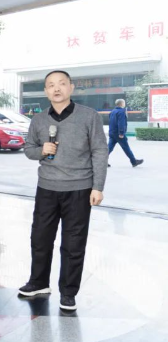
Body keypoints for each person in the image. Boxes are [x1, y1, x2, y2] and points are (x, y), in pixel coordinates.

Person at [19, 70, 108, 311]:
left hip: (79, 188)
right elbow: (28, 149)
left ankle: (68, 292)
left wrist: (98, 187)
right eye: (51, 85)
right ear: (46, 91)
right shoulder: (38, 120)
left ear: (71, 87)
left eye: (61, 84)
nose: (56, 88)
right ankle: (38, 283)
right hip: (46, 187)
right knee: (40, 238)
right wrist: (42, 150)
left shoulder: (89, 116)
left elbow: (100, 151)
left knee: (73, 243)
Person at [108, 99, 143, 168]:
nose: (124, 104)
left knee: (109, 148)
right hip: (118, 133)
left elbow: (111, 122)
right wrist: (121, 133)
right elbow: (121, 123)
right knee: (126, 147)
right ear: (121, 104)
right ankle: (134, 162)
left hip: (112, 133)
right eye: (124, 103)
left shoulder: (112, 111)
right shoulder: (121, 112)